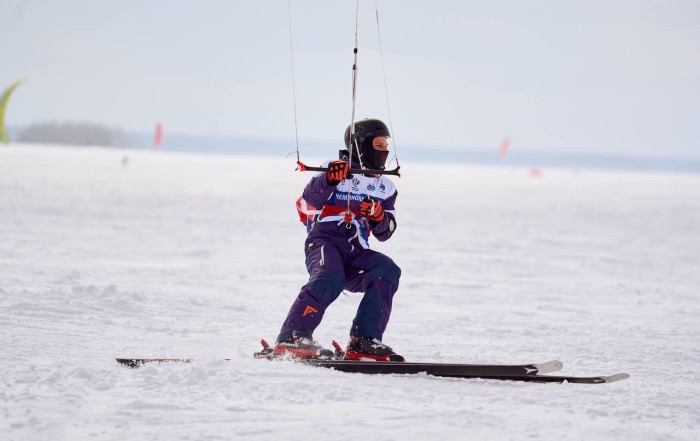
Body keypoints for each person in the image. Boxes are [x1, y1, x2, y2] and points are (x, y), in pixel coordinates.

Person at [275, 118, 403, 362]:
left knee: (387, 271)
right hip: (325, 241)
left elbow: (386, 232)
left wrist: (378, 217)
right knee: (329, 279)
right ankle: (292, 336)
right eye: (378, 146)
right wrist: (329, 180)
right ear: (361, 146)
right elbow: (307, 203)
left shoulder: (386, 187)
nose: (384, 152)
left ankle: (363, 341)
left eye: (386, 146)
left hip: (356, 250)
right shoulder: (332, 169)